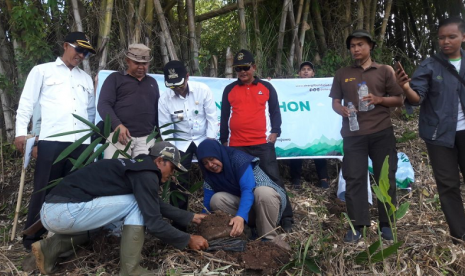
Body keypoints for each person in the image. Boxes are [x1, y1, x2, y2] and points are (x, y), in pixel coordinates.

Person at [31, 141, 209, 275]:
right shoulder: (147, 174)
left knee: (122, 211)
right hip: (65, 212)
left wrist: (189, 217)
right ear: (160, 161)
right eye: (172, 168)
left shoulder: (138, 167)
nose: (172, 175)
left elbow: (153, 201)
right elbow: (153, 222)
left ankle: (50, 248)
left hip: (54, 211)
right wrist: (187, 239)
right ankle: (131, 270)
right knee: (135, 204)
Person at [14, 31, 96, 250]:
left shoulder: (85, 78)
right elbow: (27, 103)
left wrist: (91, 140)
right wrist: (21, 133)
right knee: (44, 189)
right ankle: (32, 239)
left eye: (86, 53)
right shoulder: (42, 71)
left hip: (81, 143)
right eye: (79, 50)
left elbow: (89, 112)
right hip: (52, 140)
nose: (81, 56)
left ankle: (67, 238)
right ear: (65, 45)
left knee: (75, 190)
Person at [329, 30, 403, 242]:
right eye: (352, 46)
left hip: (382, 132)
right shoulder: (342, 73)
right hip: (353, 135)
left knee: (386, 178)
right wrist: (340, 109)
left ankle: (387, 223)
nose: (356, 49)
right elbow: (335, 101)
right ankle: (357, 225)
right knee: (354, 179)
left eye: (360, 44)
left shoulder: (384, 70)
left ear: (370, 46)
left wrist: (379, 99)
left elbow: (398, 99)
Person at [396, 17, 465, 243]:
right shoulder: (429, 65)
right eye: (441, 37)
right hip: (438, 136)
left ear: (463, 37)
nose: (445, 41)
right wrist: (406, 87)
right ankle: (460, 235)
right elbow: (416, 99)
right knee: (448, 185)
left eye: (451, 36)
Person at [220, 49, 294, 232]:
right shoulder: (229, 89)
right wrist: (224, 141)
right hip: (237, 146)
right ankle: (247, 218)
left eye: (246, 67)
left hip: (261, 144)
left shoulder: (266, 88)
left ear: (254, 67)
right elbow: (224, 117)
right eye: (238, 69)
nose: (242, 72)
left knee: (274, 179)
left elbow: (275, 111)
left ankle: (287, 217)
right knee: (242, 182)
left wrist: (275, 132)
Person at [196, 139, 287, 241]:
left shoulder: (238, 159)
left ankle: (268, 238)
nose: (210, 165)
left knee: (263, 192)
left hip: (266, 206)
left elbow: (248, 189)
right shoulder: (210, 175)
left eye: (212, 159)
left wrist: (240, 216)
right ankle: (246, 232)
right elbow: (208, 202)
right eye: (205, 163)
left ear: (219, 153)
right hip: (248, 209)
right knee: (217, 199)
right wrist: (203, 220)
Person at [158, 60, 217, 213]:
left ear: (187, 76)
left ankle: (216, 212)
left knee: (214, 174)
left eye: (180, 84)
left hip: (204, 139)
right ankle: (180, 221)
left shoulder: (202, 90)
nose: (177, 89)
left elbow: (212, 118)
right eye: (172, 85)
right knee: (178, 181)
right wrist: (172, 154)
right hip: (180, 142)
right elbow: (166, 130)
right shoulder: (164, 99)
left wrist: (210, 144)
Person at [98, 43, 160, 158]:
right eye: (137, 63)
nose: (141, 67)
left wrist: (159, 136)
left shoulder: (152, 82)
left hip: (146, 139)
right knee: (115, 172)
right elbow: (103, 105)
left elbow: (158, 111)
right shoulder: (115, 78)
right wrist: (117, 125)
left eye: (144, 64)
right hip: (119, 136)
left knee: (145, 174)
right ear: (127, 61)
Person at [288, 61, 330, 189]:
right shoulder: (291, 87)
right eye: (303, 69)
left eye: (309, 69)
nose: (306, 71)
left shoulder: (321, 86)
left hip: (315, 124)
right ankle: (296, 179)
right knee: (295, 148)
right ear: (299, 73)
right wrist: (270, 82)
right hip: (298, 125)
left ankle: (323, 178)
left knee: (318, 148)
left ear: (313, 73)